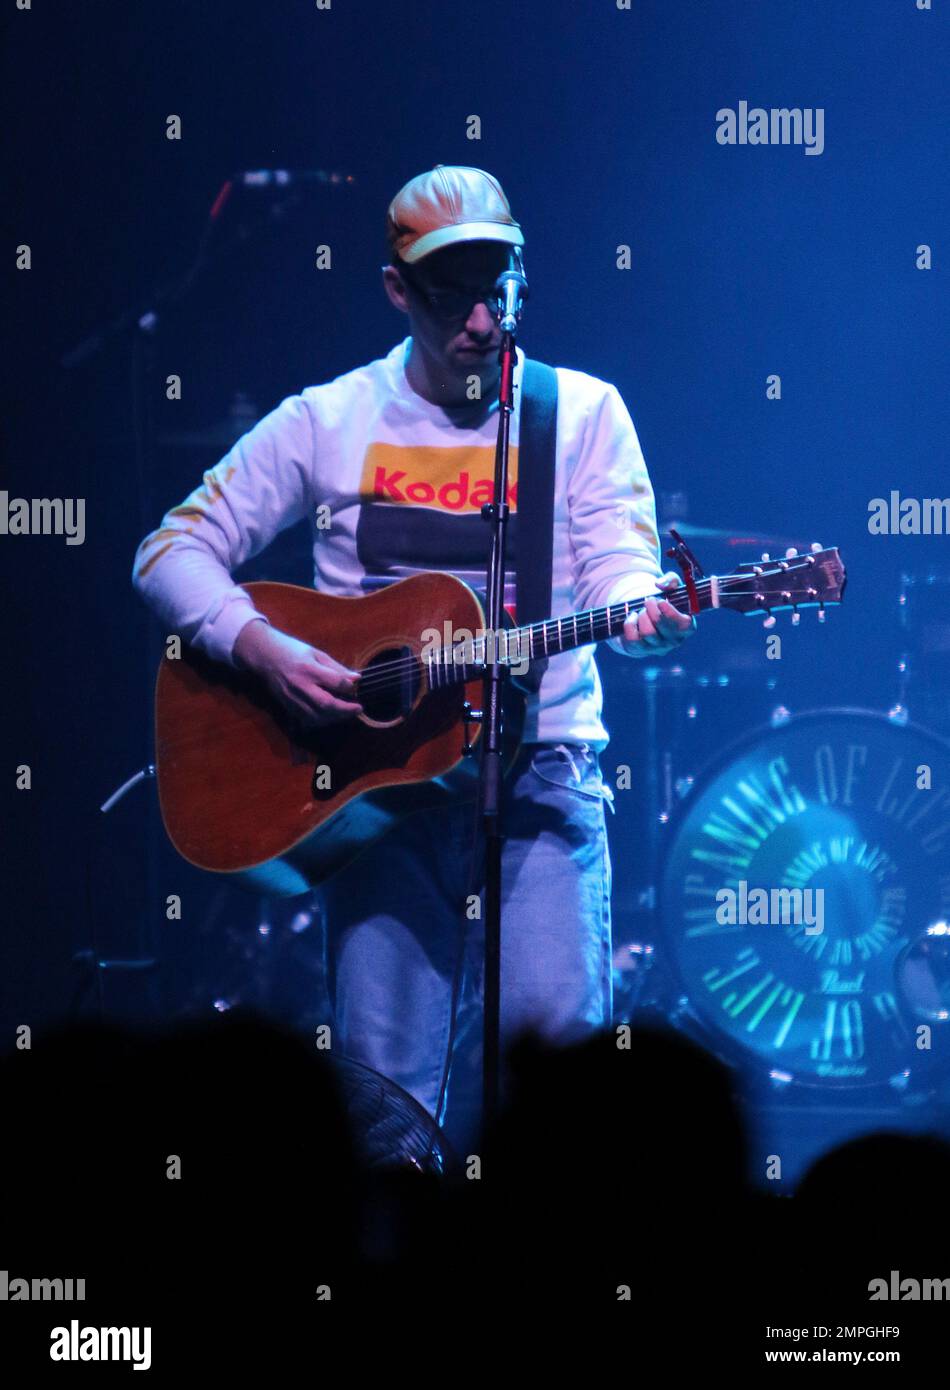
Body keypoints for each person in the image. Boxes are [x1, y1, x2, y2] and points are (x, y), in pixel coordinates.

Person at [132, 164, 694, 1154]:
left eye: (501, 286)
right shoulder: (328, 418)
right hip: (374, 800)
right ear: (397, 289)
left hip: (537, 787)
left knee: (560, 1114)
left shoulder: (583, 414)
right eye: (451, 292)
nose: (482, 320)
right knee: (380, 1114)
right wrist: (259, 647)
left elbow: (615, 566)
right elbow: (167, 551)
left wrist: (642, 605)